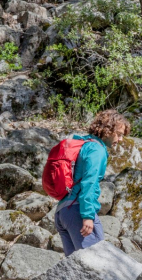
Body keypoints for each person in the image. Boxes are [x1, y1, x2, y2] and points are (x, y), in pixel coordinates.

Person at [54, 109, 131, 256]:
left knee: (75, 269)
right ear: (108, 130)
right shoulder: (97, 150)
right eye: (119, 134)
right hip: (77, 211)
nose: (120, 140)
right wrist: (88, 216)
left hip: (63, 211)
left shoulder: (84, 144)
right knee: (97, 262)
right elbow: (89, 183)